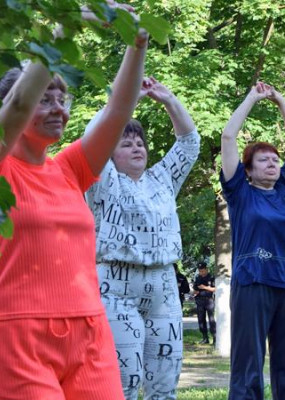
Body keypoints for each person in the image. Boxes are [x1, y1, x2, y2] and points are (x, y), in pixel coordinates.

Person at [0, 4, 147, 398]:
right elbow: (19, 106)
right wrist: (67, 27)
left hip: (89, 331)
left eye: (63, 97)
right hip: (17, 335)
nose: (59, 107)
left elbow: (118, 110)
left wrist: (137, 41)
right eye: (46, 97)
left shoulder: (68, 168)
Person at [84, 76, 200, 400]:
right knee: (124, 380)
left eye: (140, 143)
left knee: (165, 380)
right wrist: (123, 101)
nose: (137, 147)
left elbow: (189, 143)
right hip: (115, 285)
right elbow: (92, 138)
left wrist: (168, 99)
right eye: (126, 142)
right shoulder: (103, 180)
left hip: (164, 285)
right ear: (110, 153)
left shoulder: (162, 179)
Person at [220, 81, 285, 399]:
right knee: (248, 363)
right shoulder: (239, 192)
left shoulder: (284, 190)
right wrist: (252, 99)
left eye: (274, 159)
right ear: (248, 170)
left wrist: (281, 101)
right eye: (264, 160)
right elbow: (228, 137)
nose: (273, 163)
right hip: (252, 282)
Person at [192, 263, 215, 344]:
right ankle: (205, 338)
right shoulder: (197, 278)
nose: (201, 272)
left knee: (211, 319)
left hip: (209, 300)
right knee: (201, 319)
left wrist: (204, 287)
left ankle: (215, 337)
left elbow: (214, 289)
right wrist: (195, 292)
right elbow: (194, 289)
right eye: (199, 271)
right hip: (200, 301)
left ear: (206, 269)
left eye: (202, 270)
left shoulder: (211, 277)